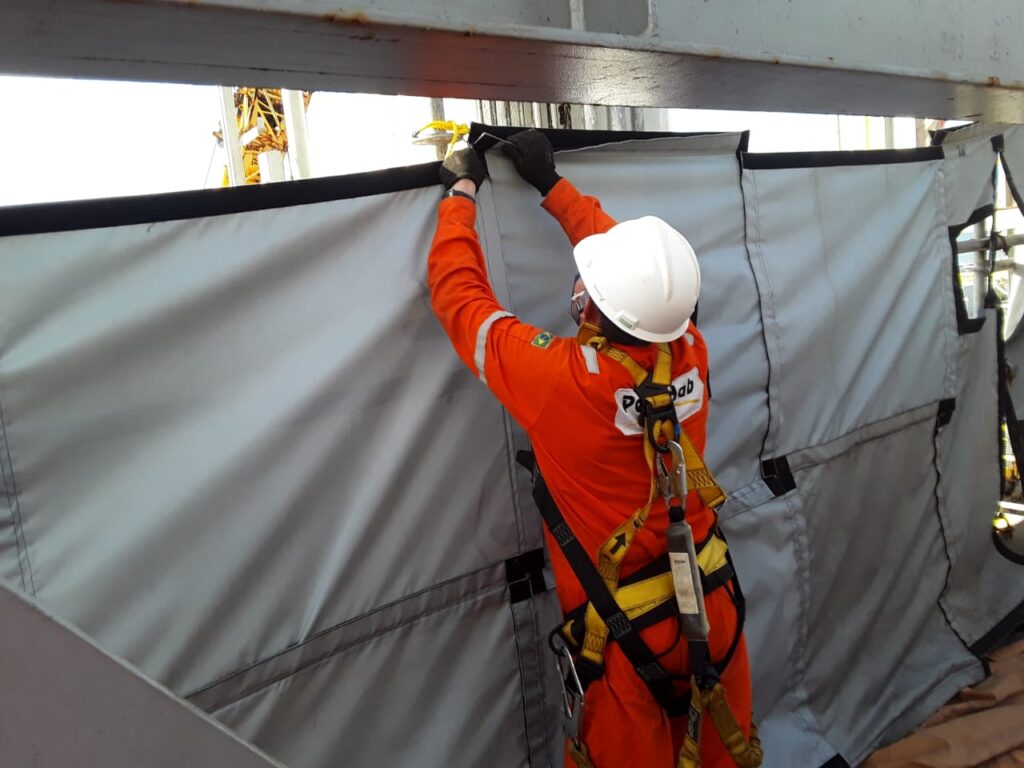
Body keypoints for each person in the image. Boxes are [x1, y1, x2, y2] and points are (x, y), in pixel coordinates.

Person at [428, 129, 756, 768]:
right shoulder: (690, 351)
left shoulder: (560, 382)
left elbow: (462, 301)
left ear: (594, 303)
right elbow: (646, 291)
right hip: (711, 605)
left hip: (621, 637)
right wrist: (554, 187)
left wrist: (461, 192)